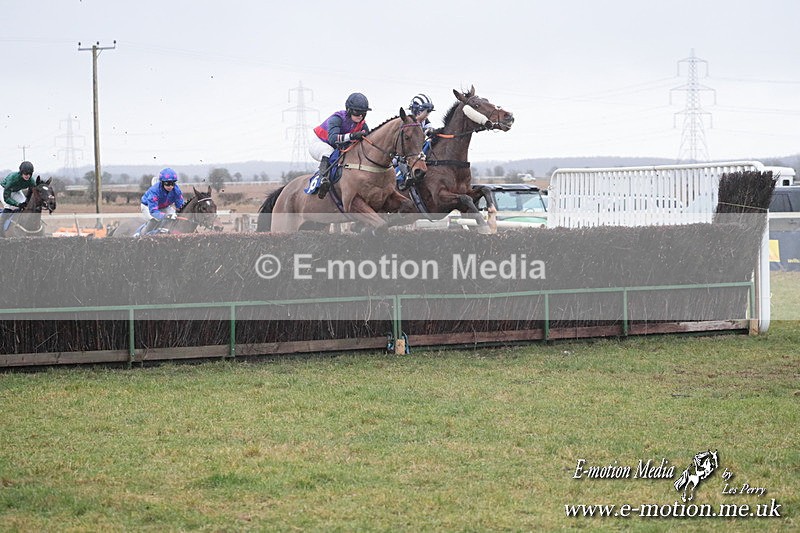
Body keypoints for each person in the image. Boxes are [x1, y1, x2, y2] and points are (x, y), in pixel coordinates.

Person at [310, 92, 371, 199]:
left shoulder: (363, 124)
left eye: (363, 112)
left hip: (338, 148)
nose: (360, 116)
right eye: (357, 112)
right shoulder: (337, 118)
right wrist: (352, 136)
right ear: (349, 110)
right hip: (321, 143)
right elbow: (333, 139)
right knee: (328, 151)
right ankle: (323, 179)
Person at [394, 94, 436, 190]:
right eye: (425, 112)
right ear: (416, 110)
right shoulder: (405, 118)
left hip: (415, 150)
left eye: (428, 112)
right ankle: (400, 179)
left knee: (429, 143)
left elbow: (430, 128)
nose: (426, 115)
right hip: (400, 149)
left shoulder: (425, 120)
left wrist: (432, 132)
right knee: (398, 160)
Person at [139, 168, 186, 234]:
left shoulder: (176, 191)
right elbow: (153, 211)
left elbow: (181, 207)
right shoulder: (155, 191)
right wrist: (166, 216)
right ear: (162, 182)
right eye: (167, 183)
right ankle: (142, 235)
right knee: (155, 220)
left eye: (172, 183)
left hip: (164, 207)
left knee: (175, 218)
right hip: (147, 207)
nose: (170, 186)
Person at [0, 161, 35, 236]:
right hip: (4, 189)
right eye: (25, 173)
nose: (27, 176)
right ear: (21, 172)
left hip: (16, 190)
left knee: (25, 205)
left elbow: (35, 192)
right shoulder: (12, 178)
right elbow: (7, 198)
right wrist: (17, 204)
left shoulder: (31, 180)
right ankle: (1, 228)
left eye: (29, 174)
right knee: (9, 207)